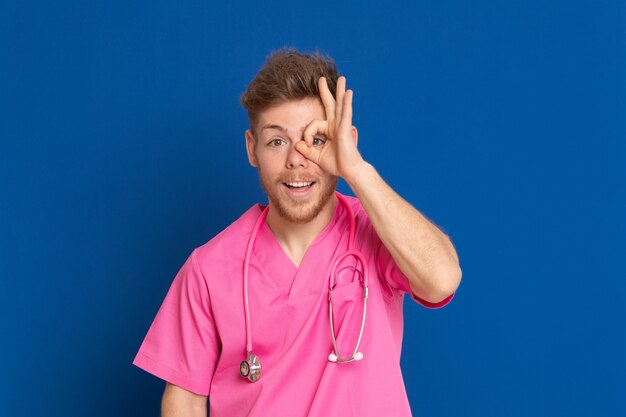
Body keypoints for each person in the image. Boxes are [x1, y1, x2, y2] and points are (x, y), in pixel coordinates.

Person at [133, 48, 462, 417]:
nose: (296, 158)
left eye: (315, 140)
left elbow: (443, 278)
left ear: (344, 141)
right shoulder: (209, 269)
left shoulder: (380, 235)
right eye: (277, 141)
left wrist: (357, 170)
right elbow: (184, 401)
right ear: (252, 148)